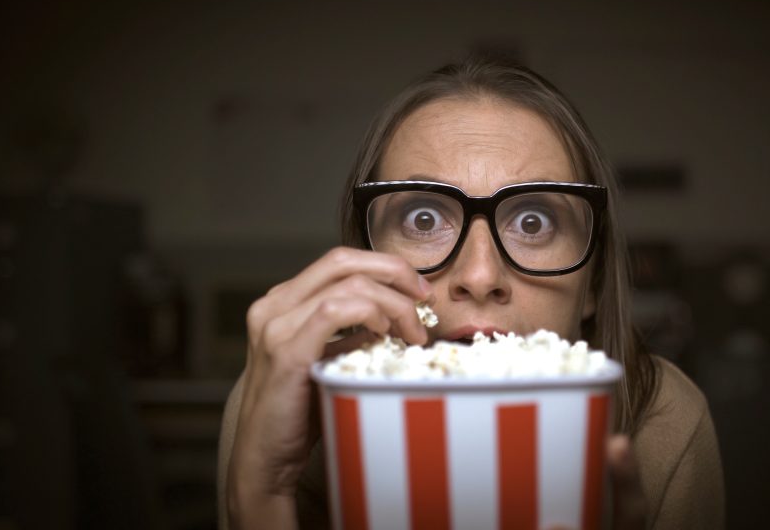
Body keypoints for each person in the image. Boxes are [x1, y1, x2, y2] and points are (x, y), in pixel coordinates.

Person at [217, 56, 725, 529]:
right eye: (423, 219)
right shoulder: (279, 402)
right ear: (363, 263)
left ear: (591, 284)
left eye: (533, 221)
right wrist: (260, 498)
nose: (480, 277)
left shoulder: (665, 424)